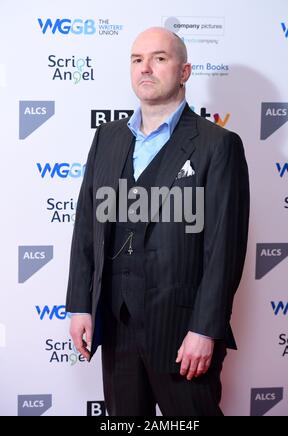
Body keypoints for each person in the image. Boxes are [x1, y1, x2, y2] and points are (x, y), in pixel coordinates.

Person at [66, 27, 250, 416]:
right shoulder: (107, 138)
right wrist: (81, 304)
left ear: (184, 71)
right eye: (137, 59)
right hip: (116, 325)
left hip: (182, 332)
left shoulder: (218, 145)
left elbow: (224, 250)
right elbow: (87, 227)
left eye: (159, 58)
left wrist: (205, 329)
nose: (145, 68)